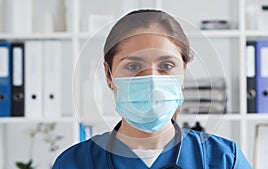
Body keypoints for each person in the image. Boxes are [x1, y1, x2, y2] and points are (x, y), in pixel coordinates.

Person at [52, 9, 252, 169]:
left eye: (166, 66)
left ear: (183, 73)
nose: (152, 81)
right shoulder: (73, 163)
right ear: (108, 75)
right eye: (133, 66)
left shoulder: (224, 160)